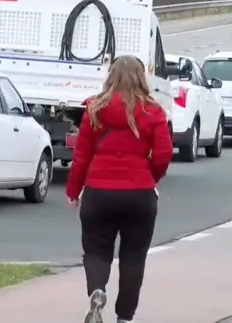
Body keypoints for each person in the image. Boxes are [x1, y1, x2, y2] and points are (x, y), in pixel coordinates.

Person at [65, 55, 173, 323]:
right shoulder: (153, 111)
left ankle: (97, 291)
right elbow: (163, 153)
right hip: (139, 194)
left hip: (98, 192)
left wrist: (73, 190)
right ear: (141, 77)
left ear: (110, 76)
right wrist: (151, 177)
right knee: (134, 257)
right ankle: (124, 317)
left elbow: (81, 156)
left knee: (96, 250)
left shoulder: (94, 109)